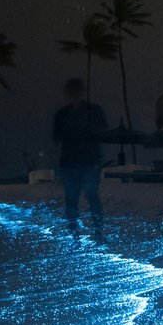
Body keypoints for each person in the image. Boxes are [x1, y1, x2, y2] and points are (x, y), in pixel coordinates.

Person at [52, 78, 108, 241]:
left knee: (82, 200)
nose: (74, 94)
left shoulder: (71, 113)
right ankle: (86, 235)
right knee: (80, 200)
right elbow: (57, 136)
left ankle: (88, 234)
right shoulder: (68, 113)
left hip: (82, 162)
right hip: (76, 162)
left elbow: (57, 137)